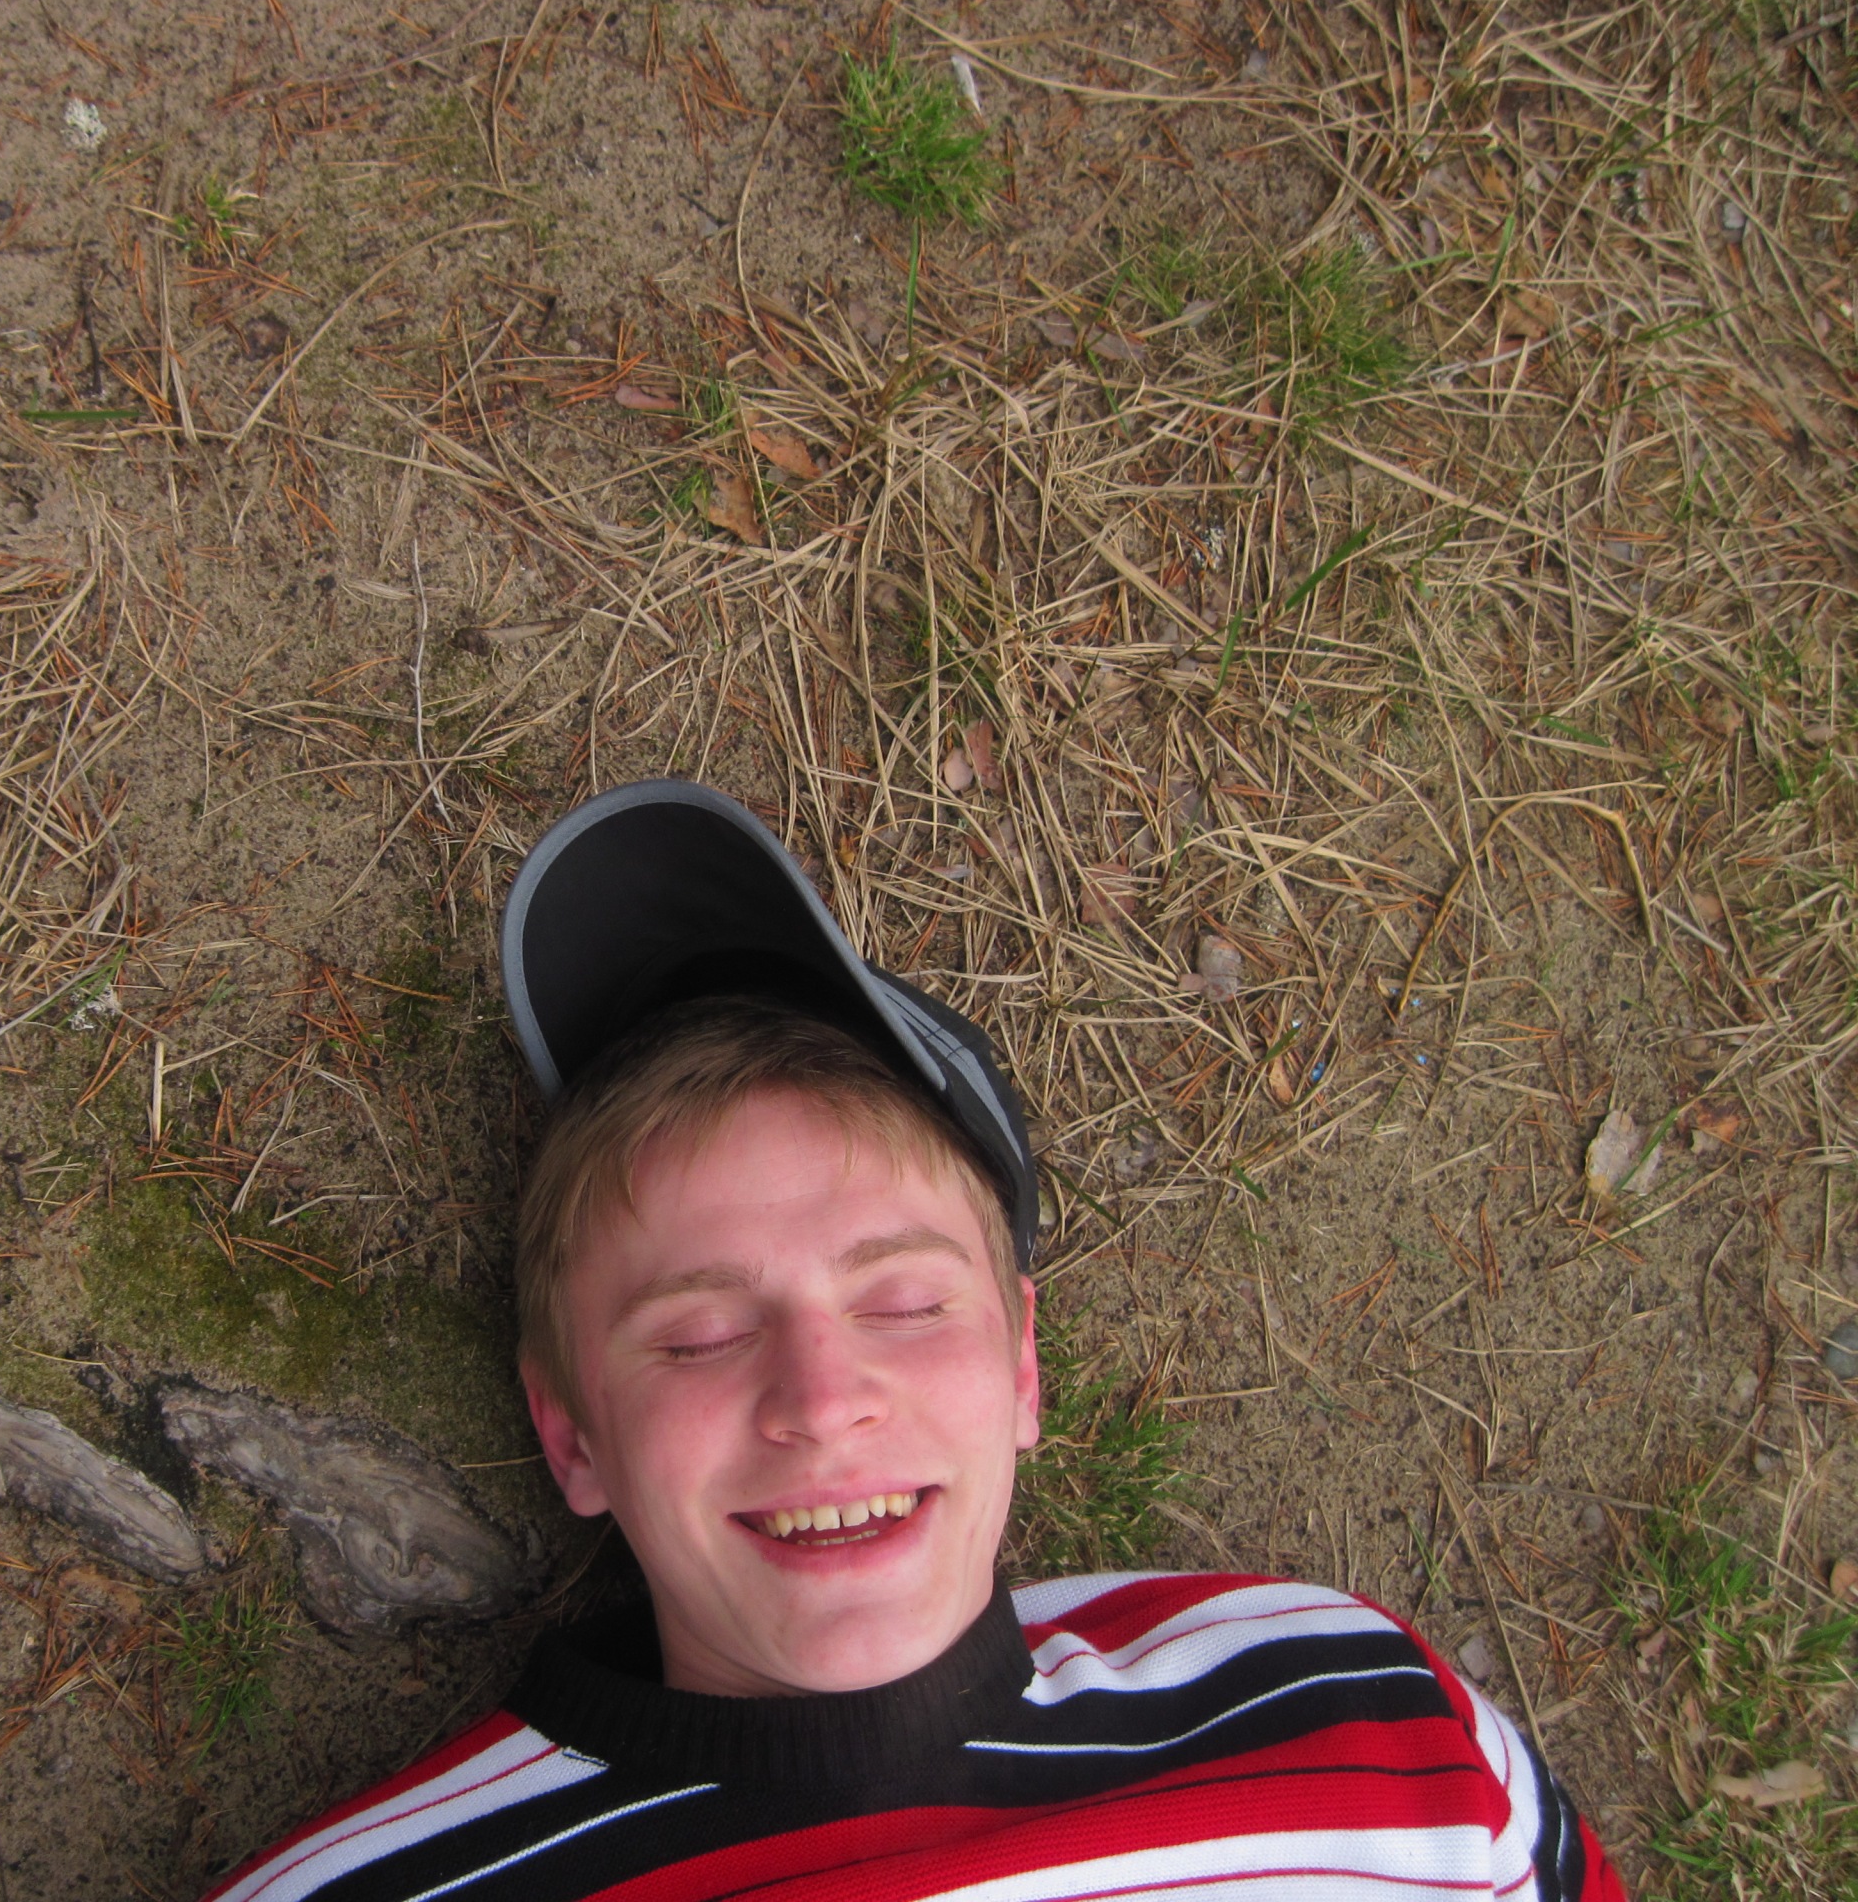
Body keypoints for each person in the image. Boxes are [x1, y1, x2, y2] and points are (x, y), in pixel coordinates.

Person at [206, 780, 1624, 1902]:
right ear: (571, 1433)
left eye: (900, 1303)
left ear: (1022, 1367)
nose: (823, 1401)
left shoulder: (1360, 1714)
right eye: (699, 1335)